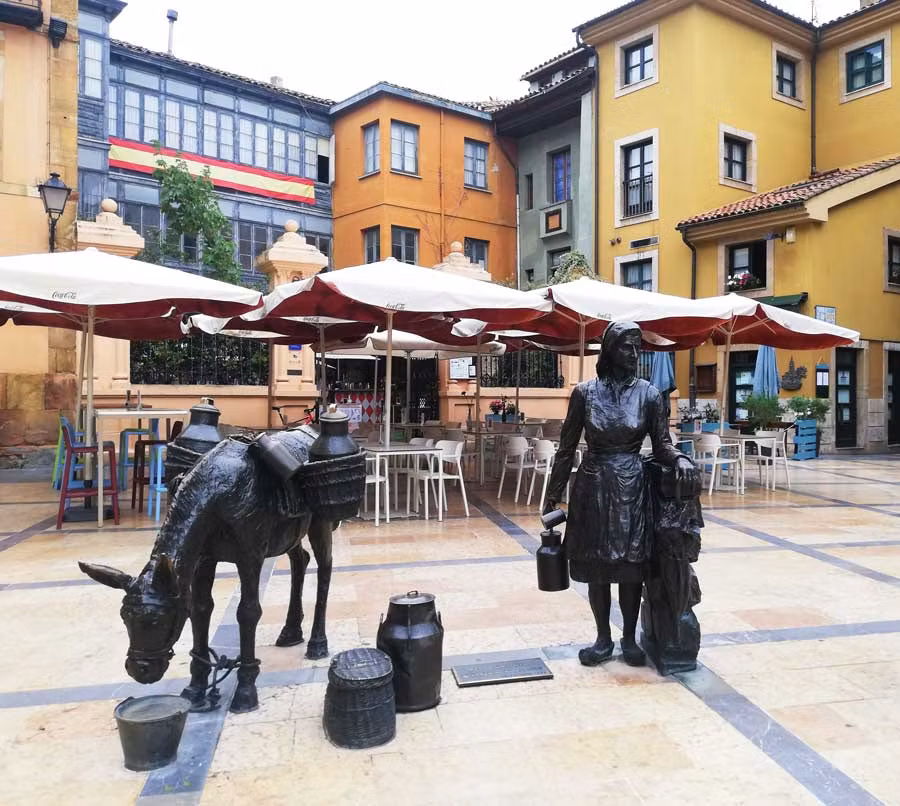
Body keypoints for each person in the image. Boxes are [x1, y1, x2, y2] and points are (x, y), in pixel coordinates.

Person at [543, 322, 698, 667]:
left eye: (637, 346)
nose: (634, 353)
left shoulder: (650, 394)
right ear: (611, 350)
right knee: (598, 568)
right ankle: (602, 639)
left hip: (631, 485)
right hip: (593, 487)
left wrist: (682, 458)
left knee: (630, 567)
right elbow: (566, 448)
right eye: (628, 347)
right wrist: (552, 495)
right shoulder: (585, 393)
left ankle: (628, 639)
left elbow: (662, 445)